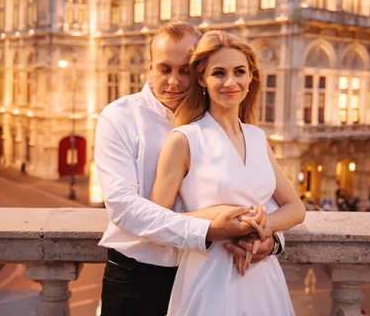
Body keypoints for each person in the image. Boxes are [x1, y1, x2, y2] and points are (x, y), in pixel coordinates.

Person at [95, 22, 281, 316]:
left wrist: (270, 241)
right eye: (165, 69)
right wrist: (207, 229)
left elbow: (260, 195)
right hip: (138, 275)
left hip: (208, 274)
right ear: (149, 67)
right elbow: (123, 207)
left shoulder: (227, 123)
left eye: (185, 71)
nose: (175, 82)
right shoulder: (118, 118)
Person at [150, 31, 306, 315]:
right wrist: (215, 218)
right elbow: (156, 220)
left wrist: (261, 231)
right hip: (209, 275)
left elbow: (296, 208)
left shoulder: (257, 136)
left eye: (239, 72)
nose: (230, 82)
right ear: (202, 79)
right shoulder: (184, 139)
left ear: (250, 78)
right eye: (219, 73)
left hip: (262, 274)